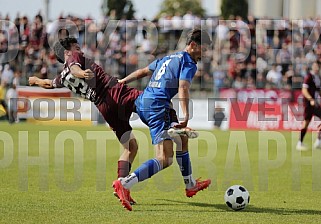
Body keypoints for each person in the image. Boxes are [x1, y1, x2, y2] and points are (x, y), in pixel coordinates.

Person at [28, 37, 190, 205]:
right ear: (67, 52)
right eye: (77, 47)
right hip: (115, 93)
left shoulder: (62, 77)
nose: (80, 50)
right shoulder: (74, 58)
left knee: (130, 147)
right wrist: (82, 73)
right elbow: (75, 68)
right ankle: (172, 126)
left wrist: (36, 80)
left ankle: (121, 185)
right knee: (155, 100)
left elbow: (49, 84)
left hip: (105, 107)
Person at [113, 29, 212, 211]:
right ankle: (125, 183)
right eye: (203, 49)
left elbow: (143, 71)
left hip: (145, 102)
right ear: (193, 45)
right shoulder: (188, 62)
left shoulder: (169, 58)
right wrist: (186, 114)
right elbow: (183, 87)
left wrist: (123, 81)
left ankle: (190, 185)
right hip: (158, 107)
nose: (204, 53)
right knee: (165, 158)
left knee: (182, 138)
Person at [296, 61, 321, 150]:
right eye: (315, 66)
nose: (316, 67)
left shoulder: (318, 77)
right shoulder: (309, 77)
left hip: (316, 103)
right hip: (309, 104)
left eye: (318, 66)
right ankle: (299, 143)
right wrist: (311, 100)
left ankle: (318, 141)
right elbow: (304, 90)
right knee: (306, 122)